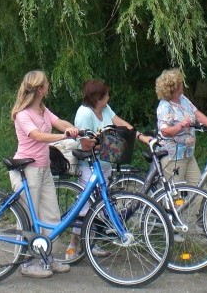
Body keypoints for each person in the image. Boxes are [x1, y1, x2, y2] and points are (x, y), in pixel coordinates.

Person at [64, 79, 150, 260]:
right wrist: (107, 143)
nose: (108, 97)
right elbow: (85, 144)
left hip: (104, 164)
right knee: (85, 207)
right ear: (98, 98)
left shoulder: (104, 109)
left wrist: (142, 137)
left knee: (100, 207)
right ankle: (72, 244)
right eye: (106, 95)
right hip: (88, 166)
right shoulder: (84, 113)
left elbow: (121, 123)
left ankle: (91, 243)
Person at [10, 70, 77, 278]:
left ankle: (46, 257)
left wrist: (75, 129)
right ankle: (26, 262)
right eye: (46, 83)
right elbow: (37, 136)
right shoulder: (23, 115)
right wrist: (63, 136)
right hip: (26, 170)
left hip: (44, 168)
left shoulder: (42, 110)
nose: (49, 85)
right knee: (30, 217)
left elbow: (60, 123)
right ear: (40, 88)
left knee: (51, 216)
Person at [155, 68, 207, 186]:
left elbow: (197, 114)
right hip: (174, 157)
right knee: (176, 195)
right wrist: (180, 126)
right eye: (180, 83)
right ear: (174, 87)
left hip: (188, 154)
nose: (183, 85)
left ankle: (195, 205)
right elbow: (164, 131)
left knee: (198, 188)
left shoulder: (183, 99)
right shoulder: (165, 106)